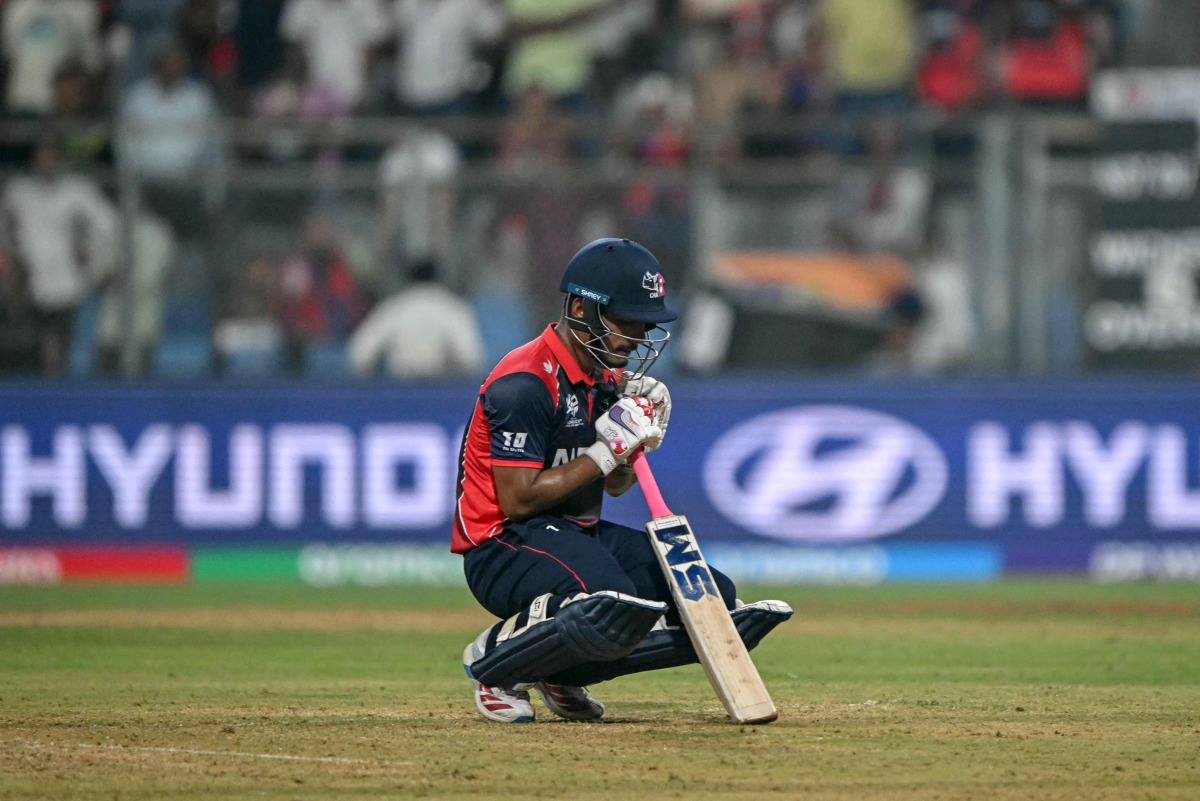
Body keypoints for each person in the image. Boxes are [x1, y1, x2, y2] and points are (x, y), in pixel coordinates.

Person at [453, 238, 792, 723]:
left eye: (643, 323)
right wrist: (605, 449)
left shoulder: (603, 378)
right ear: (579, 309)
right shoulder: (525, 382)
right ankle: (495, 664)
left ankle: (561, 672)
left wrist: (636, 444)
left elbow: (612, 487)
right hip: (501, 547)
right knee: (610, 600)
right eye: (626, 321)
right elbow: (518, 500)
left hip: (574, 535)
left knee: (711, 596)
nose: (636, 338)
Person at [348, 258, 484, 379]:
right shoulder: (452, 308)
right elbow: (471, 358)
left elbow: (360, 354)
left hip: (400, 391)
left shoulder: (395, 307)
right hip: (440, 392)